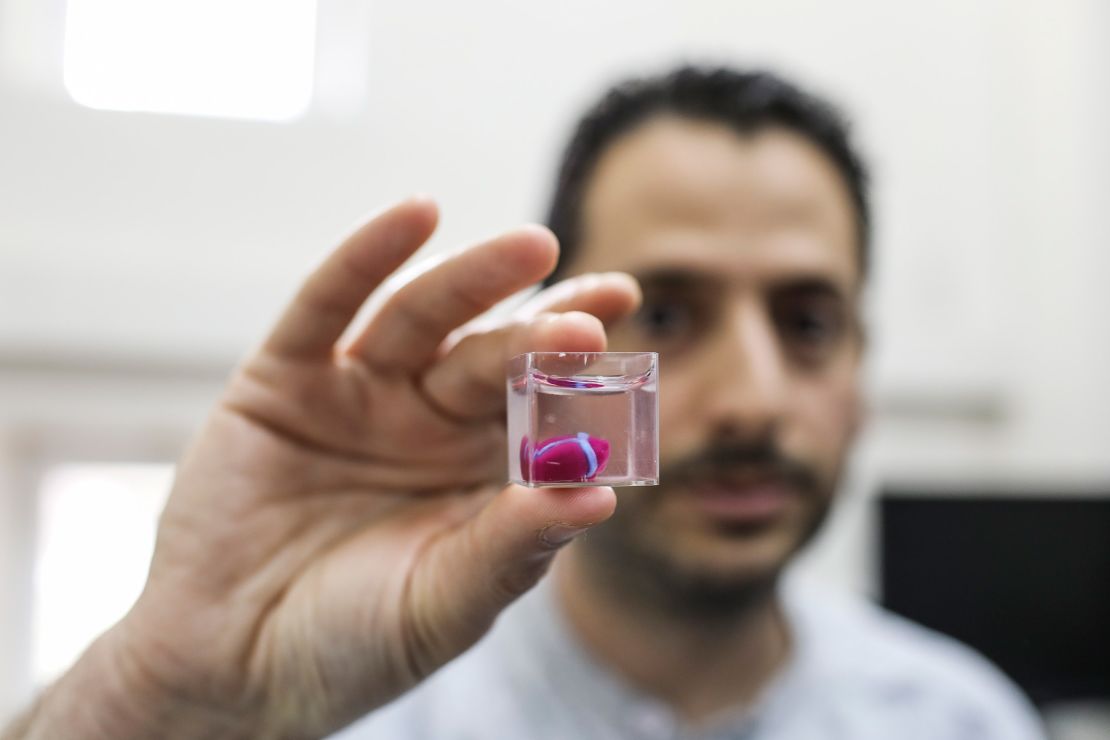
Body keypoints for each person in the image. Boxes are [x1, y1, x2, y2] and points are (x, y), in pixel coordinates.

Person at [1, 65, 1043, 740]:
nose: (755, 400)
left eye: (808, 324)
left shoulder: (966, 719)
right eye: (669, 316)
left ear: (861, 370)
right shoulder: (339, 708)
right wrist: (155, 693)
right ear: (559, 348)